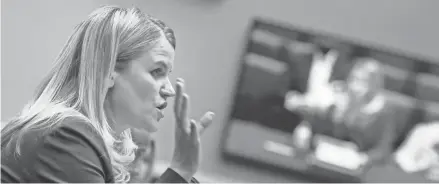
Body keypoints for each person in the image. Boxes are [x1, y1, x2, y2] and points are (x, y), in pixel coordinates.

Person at [1, 5, 215, 183]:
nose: (169, 89)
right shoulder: (66, 134)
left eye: (168, 74)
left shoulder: (82, 139)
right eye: (157, 71)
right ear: (108, 69)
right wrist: (179, 170)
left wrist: (182, 171)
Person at [286, 52, 396, 165]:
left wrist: (362, 159)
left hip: (355, 164)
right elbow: (312, 122)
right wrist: (305, 129)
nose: (355, 87)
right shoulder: (336, 96)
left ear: (374, 86)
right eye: (353, 79)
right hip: (322, 154)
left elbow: (383, 150)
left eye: (363, 82)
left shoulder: (382, 111)